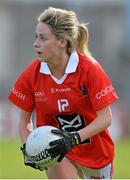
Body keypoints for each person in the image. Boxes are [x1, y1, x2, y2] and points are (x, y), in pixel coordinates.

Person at [8, 6, 118, 179]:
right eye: (36, 37)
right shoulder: (31, 75)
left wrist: (73, 139)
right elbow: (24, 120)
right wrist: (29, 146)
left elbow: (105, 118)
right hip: (57, 152)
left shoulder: (90, 69)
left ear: (62, 41)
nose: (35, 43)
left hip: (96, 154)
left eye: (43, 38)